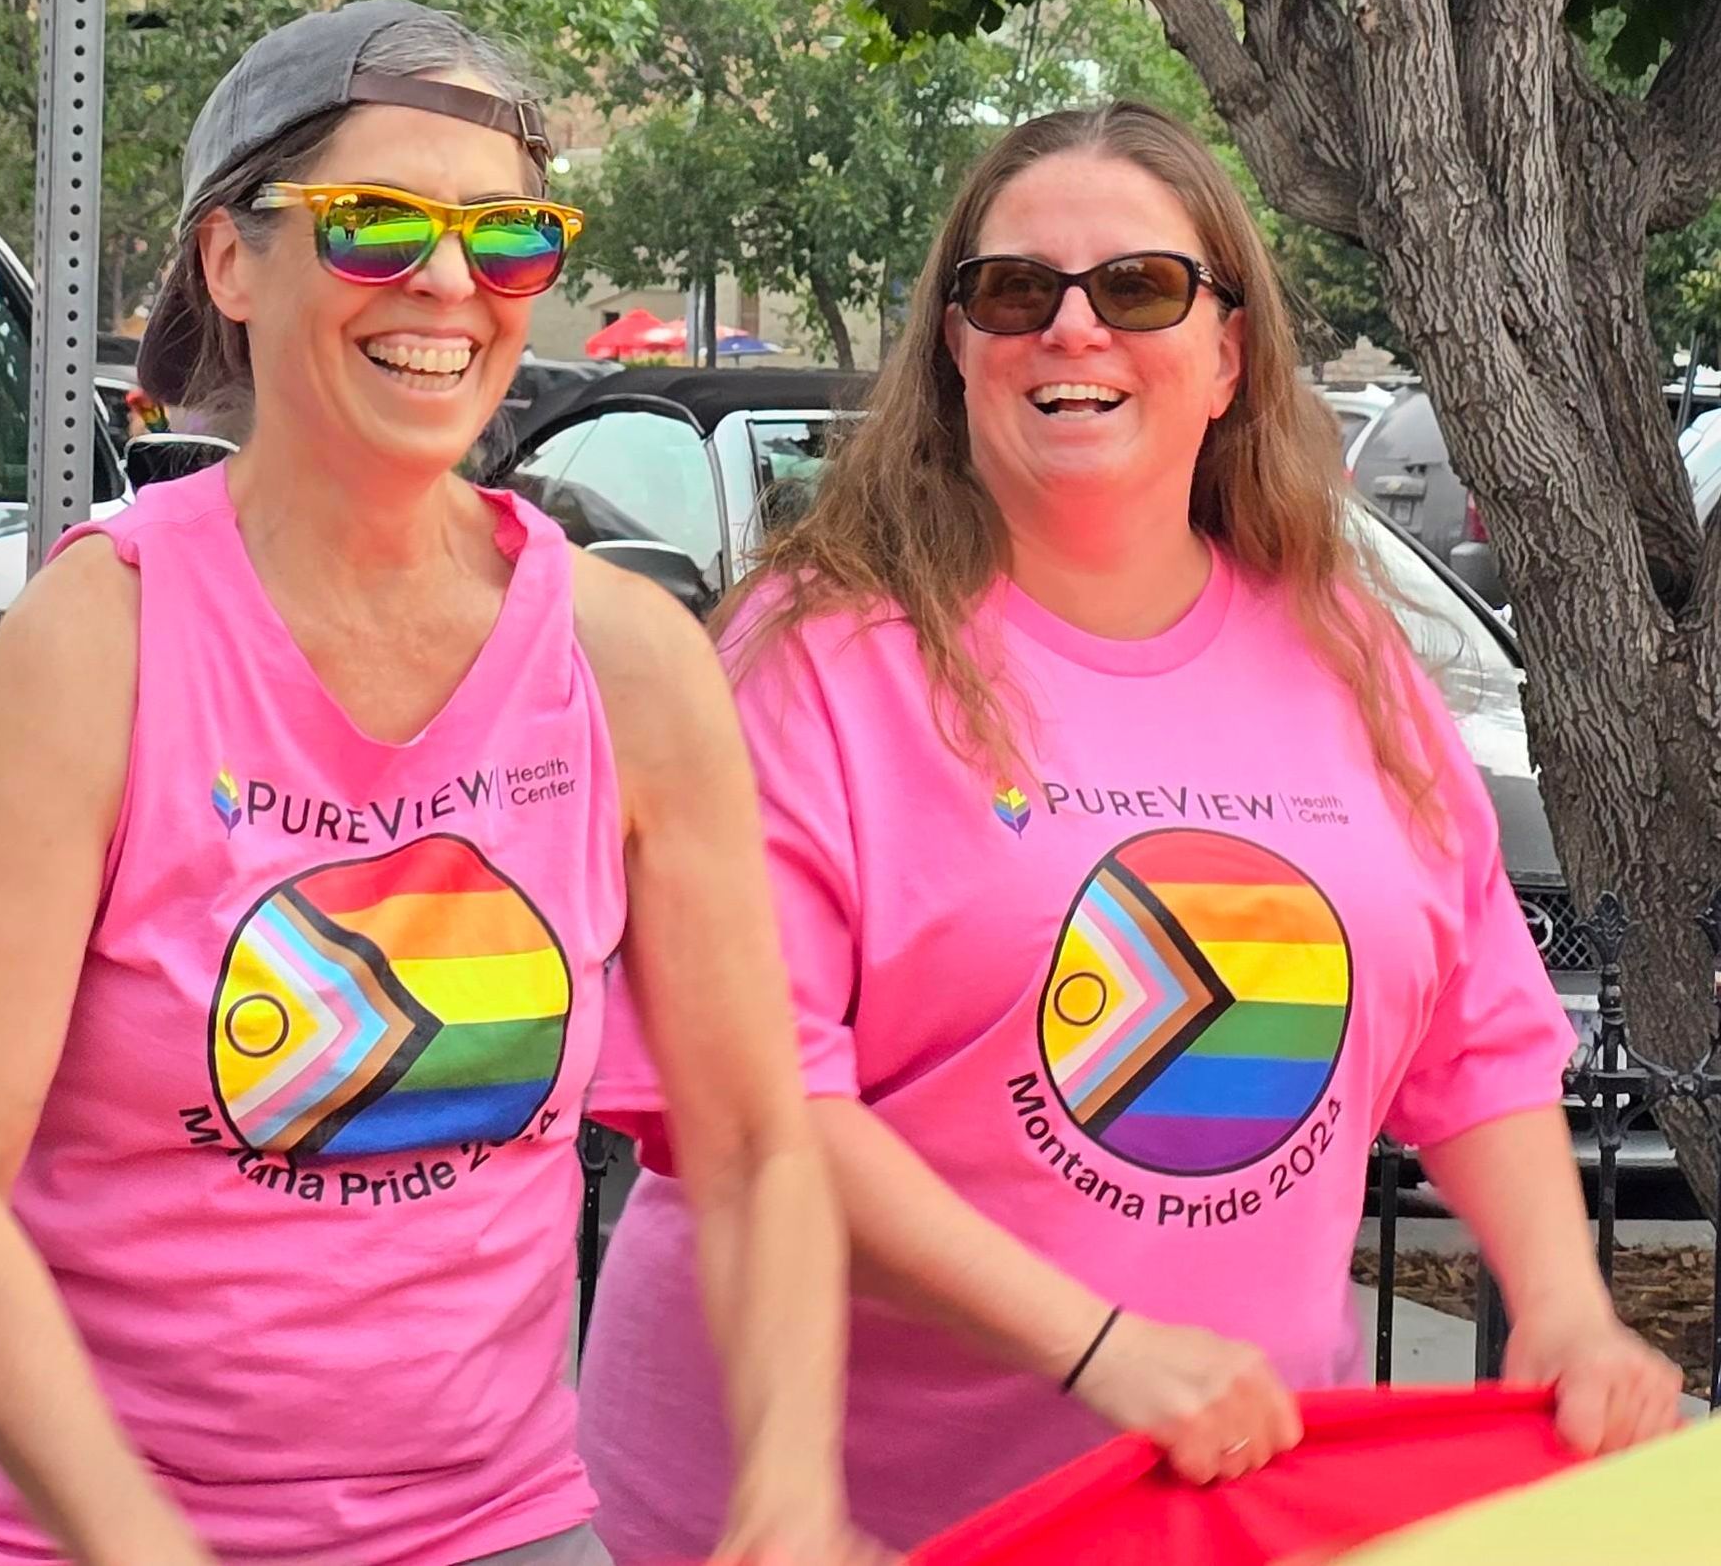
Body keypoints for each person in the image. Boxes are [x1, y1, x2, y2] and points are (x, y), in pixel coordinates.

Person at [576, 102, 1685, 1559]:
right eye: (1017, 291)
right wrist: (1098, 1344)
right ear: (956, 346)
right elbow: (759, 1112)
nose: (1073, 332)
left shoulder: (1346, 645)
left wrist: (1562, 1306)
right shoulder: (815, 657)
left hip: (1220, 1506)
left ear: (1228, 353)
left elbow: (1477, 1037)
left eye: (1142, 288)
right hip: (831, 1520)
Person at [0, 0, 857, 1566]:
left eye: (511, 238)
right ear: (231, 262)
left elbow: (752, 1145)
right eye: (379, 227)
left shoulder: (630, 664)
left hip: (489, 1528)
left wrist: (795, 1485)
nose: (451, 288)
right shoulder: (100, 642)